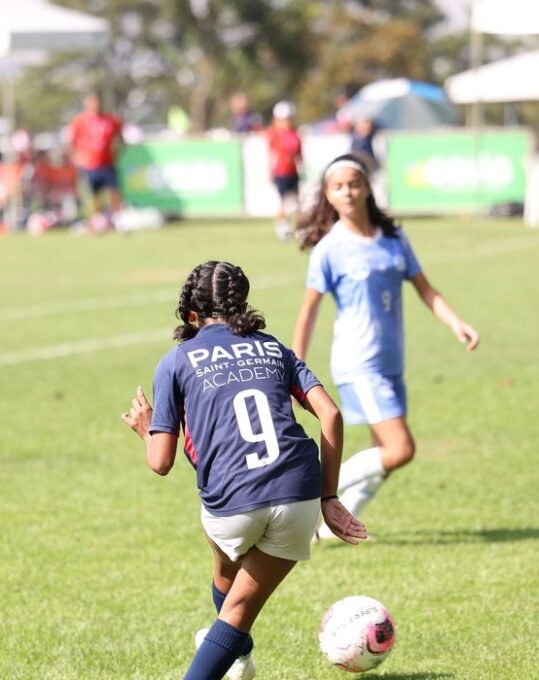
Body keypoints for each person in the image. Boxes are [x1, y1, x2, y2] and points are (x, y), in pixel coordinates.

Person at [122, 261, 366, 680]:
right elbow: (330, 414)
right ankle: (237, 655)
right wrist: (328, 497)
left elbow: (160, 462)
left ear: (192, 315)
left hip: (231, 505)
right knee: (229, 585)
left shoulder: (176, 360)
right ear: (241, 306)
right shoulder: (274, 348)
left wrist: (147, 431)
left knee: (233, 608)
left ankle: (233, 652)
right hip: (298, 495)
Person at [291, 154, 480, 537]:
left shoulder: (393, 238)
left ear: (367, 188)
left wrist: (455, 322)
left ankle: (331, 529)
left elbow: (425, 289)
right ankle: (312, 497)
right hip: (358, 362)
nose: (347, 192)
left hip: (392, 362)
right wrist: (295, 369)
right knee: (400, 449)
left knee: (387, 458)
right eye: (338, 186)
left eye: (353, 184)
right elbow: (308, 311)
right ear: (327, 194)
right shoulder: (330, 248)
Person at [66, 93, 124, 229]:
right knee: (93, 195)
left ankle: (118, 221)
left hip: (108, 163)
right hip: (90, 165)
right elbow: (70, 142)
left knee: (114, 193)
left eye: (96, 102)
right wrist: (76, 157)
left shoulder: (110, 119)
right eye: (91, 102)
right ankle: (96, 223)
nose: (94, 105)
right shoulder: (79, 121)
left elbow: (120, 138)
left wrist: (118, 152)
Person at [266, 101, 302, 241]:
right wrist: (270, 171)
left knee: (297, 202)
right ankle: (282, 227)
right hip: (281, 172)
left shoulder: (294, 133)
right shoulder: (274, 134)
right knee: (282, 202)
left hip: (293, 172)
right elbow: (271, 155)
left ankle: (299, 228)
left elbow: (299, 153)